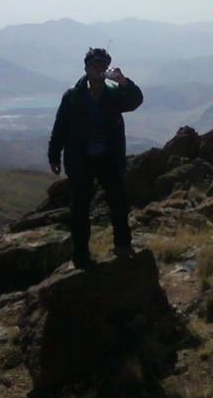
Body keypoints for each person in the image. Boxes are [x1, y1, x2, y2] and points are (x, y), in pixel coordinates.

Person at [48, 47, 144, 269]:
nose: (99, 69)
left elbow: (135, 101)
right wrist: (54, 155)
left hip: (109, 158)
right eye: (95, 65)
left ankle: (122, 245)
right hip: (80, 160)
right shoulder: (72, 95)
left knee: (118, 202)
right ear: (86, 68)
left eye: (103, 65)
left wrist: (123, 80)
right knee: (80, 208)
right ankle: (81, 255)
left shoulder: (114, 92)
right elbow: (60, 127)